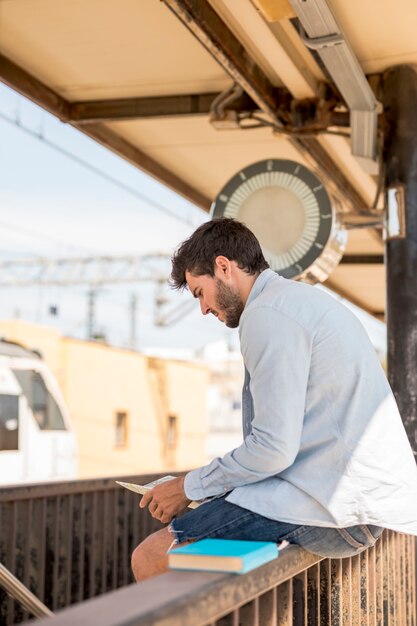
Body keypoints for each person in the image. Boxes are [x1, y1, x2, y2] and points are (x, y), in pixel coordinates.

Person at [131, 218, 417, 582]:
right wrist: (201, 489)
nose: (202, 310)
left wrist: (187, 487)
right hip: (349, 502)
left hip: (335, 509)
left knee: (151, 558)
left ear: (223, 267)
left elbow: (273, 450)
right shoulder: (294, 302)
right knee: (206, 553)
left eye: (199, 292)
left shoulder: (267, 315)